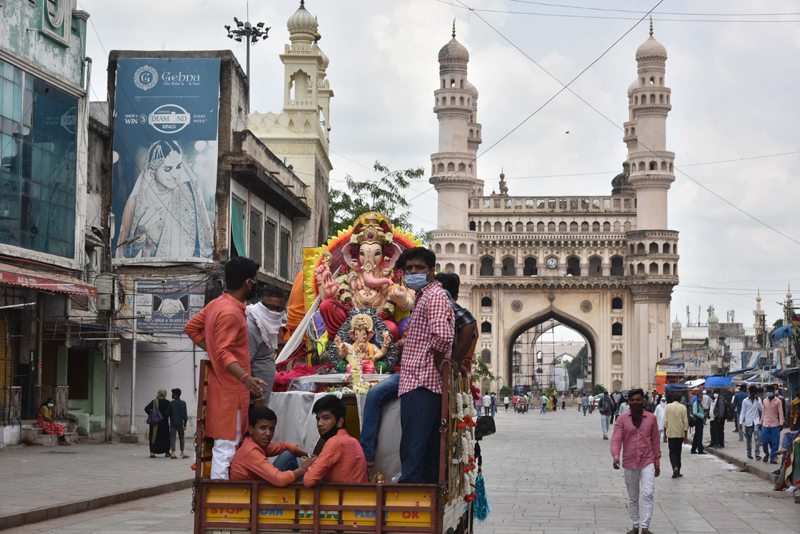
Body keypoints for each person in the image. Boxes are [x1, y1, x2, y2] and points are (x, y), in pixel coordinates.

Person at [185, 257, 266, 479]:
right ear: (248, 282)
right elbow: (222, 352)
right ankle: (221, 506)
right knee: (226, 450)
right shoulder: (230, 312)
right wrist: (245, 378)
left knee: (226, 448)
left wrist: (213, 351)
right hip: (230, 393)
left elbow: (192, 329)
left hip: (222, 389)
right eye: (256, 280)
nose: (256, 285)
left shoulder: (217, 304)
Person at [397, 248, 455, 484]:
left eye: (419, 268)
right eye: (409, 268)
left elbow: (442, 335)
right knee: (426, 449)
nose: (413, 272)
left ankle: (410, 502)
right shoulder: (423, 295)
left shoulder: (434, 296)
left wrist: (437, 362)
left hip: (422, 383)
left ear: (431, 271)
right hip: (419, 382)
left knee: (413, 448)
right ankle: (428, 503)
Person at [116, 139, 212, 260]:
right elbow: (127, 253)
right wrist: (141, 231)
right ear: (152, 169)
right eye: (167, 169)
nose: (175, 174)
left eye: (178, 167)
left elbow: (204, 244)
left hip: (186, 270)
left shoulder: (187, 197)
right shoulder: (137, 201)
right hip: (145, 274)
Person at [611, 388, 661, 534]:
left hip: (647, 461)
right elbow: (616, 439)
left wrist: (657, 461)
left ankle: (645, 527)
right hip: (630, 461)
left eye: (638, 400)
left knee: (648, 493)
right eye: (632, 400)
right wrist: (615, 456)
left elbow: (655, 441)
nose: (635, 402)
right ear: (628, 401)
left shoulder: (651, 418)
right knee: (633, 497)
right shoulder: (622, 419)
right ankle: (635, 526)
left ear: (643, 401)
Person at [230, 407, 313, 485]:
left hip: (256, 490)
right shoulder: (250, 451)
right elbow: (279, 479)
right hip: (251, 497)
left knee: (288, 454)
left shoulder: (253, 443)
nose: (268, 433)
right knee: (288, 457)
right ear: (251, 429)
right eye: (263, 428)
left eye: (271, 429)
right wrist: (303, 469)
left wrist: (304, 454)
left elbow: (282, 446)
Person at [305, 395, 369, 487]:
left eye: (326, 418)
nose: (319, 424)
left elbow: (308, 481)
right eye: (318, 419)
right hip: (357, 497)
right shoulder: (354, 441)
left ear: (340, 421)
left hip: (340, 498)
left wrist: (304, 468)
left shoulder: (335, 442)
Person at [247, 285, 286, 406]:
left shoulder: (269, 325)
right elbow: (245, 365)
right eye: (269, 307)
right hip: (252, 401)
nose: (273, 312)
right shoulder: (250, 327)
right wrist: (257, 399)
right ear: (260, 305)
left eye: (278, 309)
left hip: (262, 397)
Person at [663, 392, 689, 478]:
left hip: (671, 433)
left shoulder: (668, 407)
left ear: (672, 399)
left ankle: (675, 467)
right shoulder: (683, 408)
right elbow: (685, 421)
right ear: (680, 399)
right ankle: (678, 470)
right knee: (678, 452)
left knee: (672, 452)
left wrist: (664, 433)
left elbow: (666, 420)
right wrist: (685, 435)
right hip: (680, 433)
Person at [760, 384, 784, 464]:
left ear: (773, 392)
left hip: (775, 424)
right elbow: (763, 412)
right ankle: (767, 454)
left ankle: (772, 457)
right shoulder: (764, 401)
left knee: (775, 442)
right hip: (765, 424)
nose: (768, 393)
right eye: (767, 391)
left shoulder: (778, 401)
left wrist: (781, 423)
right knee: (764, 441)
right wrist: (761, 422)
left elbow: (781, 412)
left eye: (770, 391)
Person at [144, 389, 171, 458]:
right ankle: (167, 452)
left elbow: (146, 408)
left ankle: (152, 452)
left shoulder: (154, 402)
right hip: (164, 423)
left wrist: (152, 414)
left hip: (155, 423)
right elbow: (169, 412)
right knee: (165, 437)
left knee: (153, 436)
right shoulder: (167, 402)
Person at [739, 385, 763, 460]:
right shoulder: (745, 401)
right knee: (749, 439)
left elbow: (761, 409)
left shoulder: (758, 400)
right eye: (752, 392)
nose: (753, 393)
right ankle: (749, 453)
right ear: (749, 392)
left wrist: (758, 401)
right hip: (748, 421)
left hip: (756, 421)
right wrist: (740, 422)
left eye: (754, 392)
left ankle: (757, 453)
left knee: (757, 438)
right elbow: (742, 412)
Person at [167, 388, 189, 459]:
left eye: (173, 394)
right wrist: (185, 424)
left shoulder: (171, 403)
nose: (172, 395)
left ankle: (173, 453)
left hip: (173, 422)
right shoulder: (183, 403)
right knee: (181, 437)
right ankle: (182, 452)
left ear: (175, 395)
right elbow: (185, 415)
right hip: (180, 423)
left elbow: (167, 413)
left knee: (173, 437)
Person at [691, 390, 707, 455]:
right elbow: (694, 412)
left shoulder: (700, 404)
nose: (701, 398)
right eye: (700, 397)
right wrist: (702, 416)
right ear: (697, 397)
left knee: (697, 435)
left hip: (700, 420)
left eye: (702, 397)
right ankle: (700, 450)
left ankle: (693, 449)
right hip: (698, 420)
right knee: (699, 435)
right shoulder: (695, 404)